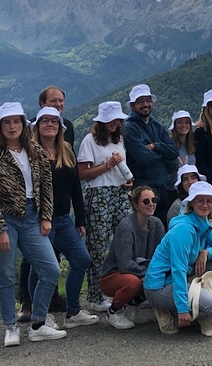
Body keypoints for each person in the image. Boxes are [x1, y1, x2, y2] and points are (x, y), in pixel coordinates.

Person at [0, 102, 66, 347]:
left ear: (23, 124)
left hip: (32, 217)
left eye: (16, 121)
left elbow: (46, 186)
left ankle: (38, 323)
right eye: (7, 122)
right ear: (0, 127)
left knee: (51, 270)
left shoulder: (36, 151)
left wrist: (45, 216)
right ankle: (10, 326)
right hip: (4, 219)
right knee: (6, 274)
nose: (12, 126)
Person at [30, 107, 98, 329]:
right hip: (40, 220)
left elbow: (75, 187)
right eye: (45, 121)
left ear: (60, 127)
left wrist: (80, 219)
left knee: (81, 259)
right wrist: (40, 217)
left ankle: (73, 312)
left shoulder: (66, 149)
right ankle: (40, 314)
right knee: (41, 268)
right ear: (37, 126)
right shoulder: (30, 152)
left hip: (63, 218)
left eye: (54, 121)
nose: (50, 124)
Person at [143, 181, 212, 334]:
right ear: (191, 203)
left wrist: (206, 252)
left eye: (209, 201)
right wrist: (183, 308)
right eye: (200, 201)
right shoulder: (184, 230)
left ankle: (186, 303)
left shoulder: (203, 222)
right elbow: (178, 270)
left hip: (180, 276)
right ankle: (172, 314)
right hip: (159, 286)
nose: (205, 205)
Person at [18, 86, 72, 322]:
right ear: (41, 103)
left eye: (61, 101)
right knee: (32, 258)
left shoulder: (66, 127)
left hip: (59, 205)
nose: (58, 105)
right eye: (53, 101)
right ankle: (27, 303)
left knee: (53, 254)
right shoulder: (30, 130)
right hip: (34, 206)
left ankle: (51, 298)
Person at [77, 101, 133, 312]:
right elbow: (82, 174)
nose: (115, 122)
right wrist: (106, 166)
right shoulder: (89, 141)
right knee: (98, 245)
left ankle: (123, 288)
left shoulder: (118, 139)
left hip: (119, 192)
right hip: (98, 194)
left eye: (117, 119)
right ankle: (95, 294)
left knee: (125, 239)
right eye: (111, 119)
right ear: (101, 121)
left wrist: (126, 181)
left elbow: (121, 168)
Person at [100, 186, 165, 330]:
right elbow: (125, 264)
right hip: (114, 275)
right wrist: (149, 274)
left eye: (154, 200)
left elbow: (161, 255)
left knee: (163, 277)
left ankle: (131, 305)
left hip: (142, 269)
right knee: (133, 282)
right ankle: (114, 311)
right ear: (136, 205)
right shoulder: (126, 227)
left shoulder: (157, 224)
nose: (151, 204)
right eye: (146, 201)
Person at [123, 84, 179, 221]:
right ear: (132, 105)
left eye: (148, 101)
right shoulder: (129, 127)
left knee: (161, 229)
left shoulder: (157, 125)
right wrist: (163, 153)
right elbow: (142, 158)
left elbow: (173, 152)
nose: (146, 104)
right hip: (142, 189)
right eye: (140, 101)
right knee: (144, 228)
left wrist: (155, 146)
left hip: (161, 187)